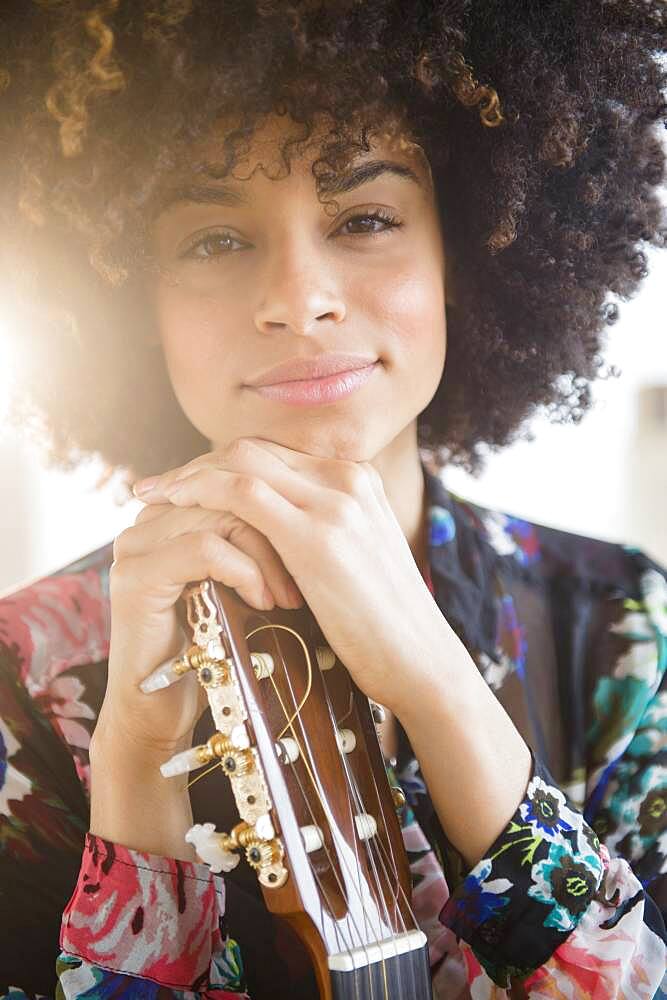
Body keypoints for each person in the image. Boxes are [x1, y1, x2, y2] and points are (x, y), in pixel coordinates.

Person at [0, 1, 665, 997]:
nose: (298, 297)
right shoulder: (26, 672)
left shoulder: (619, 624)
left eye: (363, 218)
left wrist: (442, 692)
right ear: (128, 301)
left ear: (470, 255)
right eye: (216, 240)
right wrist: (136, 760)